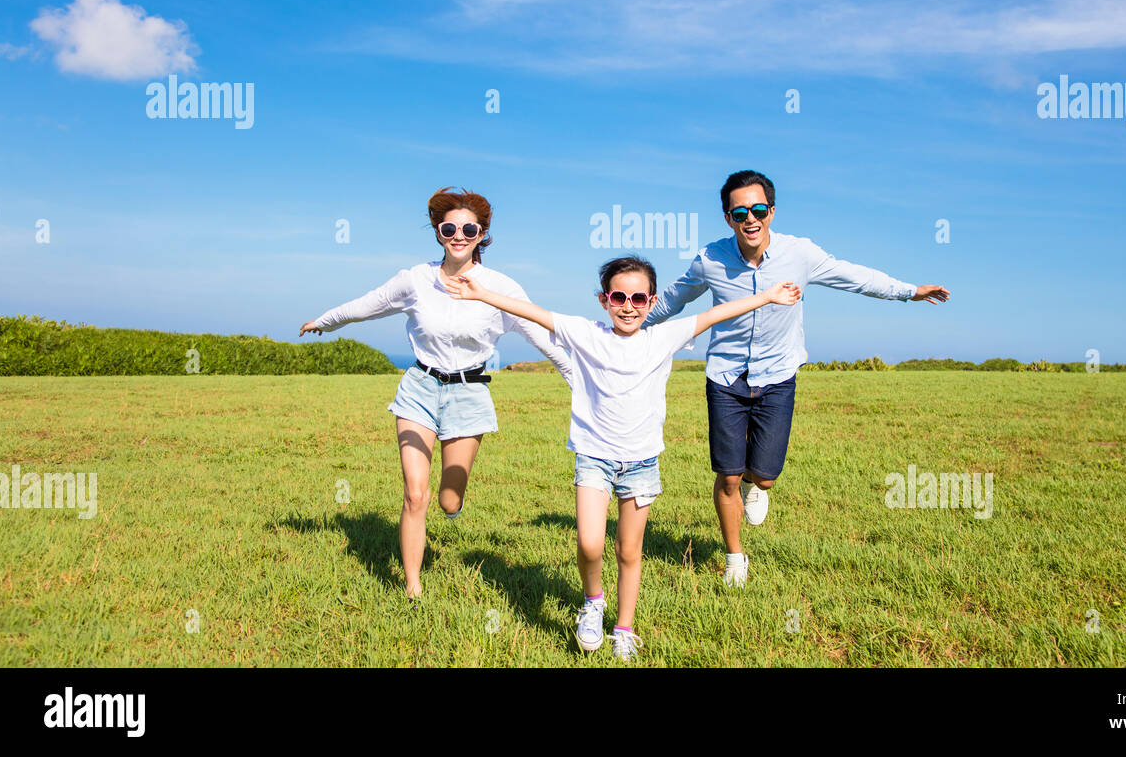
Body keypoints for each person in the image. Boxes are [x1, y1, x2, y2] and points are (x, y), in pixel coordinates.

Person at [443, 255, 801, 660]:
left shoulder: (662, 337)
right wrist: (483, 293)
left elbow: (715, 312)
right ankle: (593, 602)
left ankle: (624, 628)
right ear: (603, 299)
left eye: (638, 298)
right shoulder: (586, 333)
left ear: (651, 301)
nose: (628, 306)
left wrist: (769, 296)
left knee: (630, 551)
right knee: (590, 542)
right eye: (618, 296)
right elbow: (535, 313)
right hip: (593, 458)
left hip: (642, 464)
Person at [645, 170, 950, 587]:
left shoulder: (799, 254)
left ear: (770, 211)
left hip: (777, 375)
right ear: (728, 217)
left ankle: (759, 482)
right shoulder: (710, 260)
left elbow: (853, 277)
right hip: (726, 377)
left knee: (764, 476)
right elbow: (671, 302)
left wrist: (908, 291)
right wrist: (623, 325)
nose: (749, 219)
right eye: (739, 212)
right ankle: (735, 556)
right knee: (728, 474)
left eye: (757, 210)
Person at [299, 187, 572, 601]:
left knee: (447, 500)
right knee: (414, 492)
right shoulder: (415, 279)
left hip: (469, 392)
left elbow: (544, 339)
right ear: (438, 232)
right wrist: (325, 321)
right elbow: (366, 306)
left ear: (482, 233)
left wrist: (580, 382)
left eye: (469, 228)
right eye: (449, 227)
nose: (458, 234)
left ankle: (452, 501)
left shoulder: (501, 287)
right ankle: (412, 588)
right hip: (420, 388)